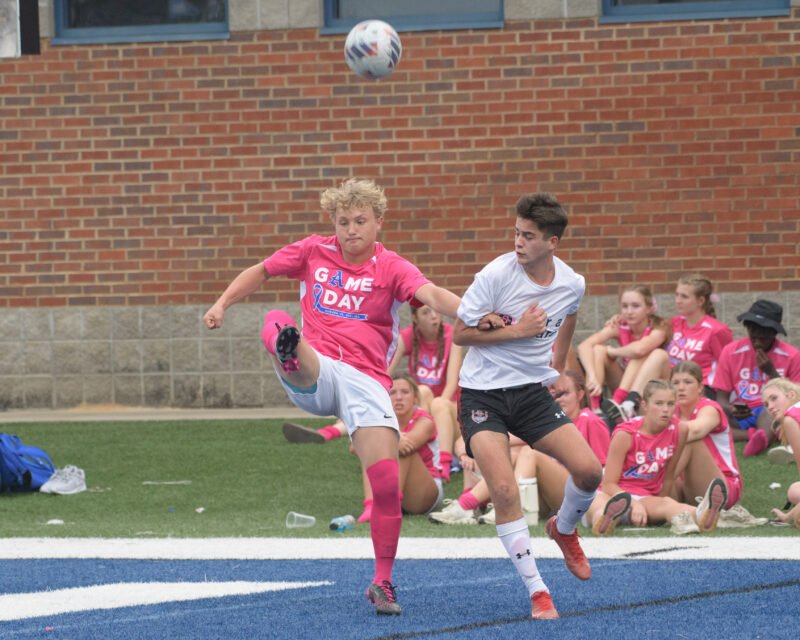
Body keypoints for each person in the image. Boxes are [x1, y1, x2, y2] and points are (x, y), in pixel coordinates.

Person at [202, 178, 462, 616]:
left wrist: (471, 311)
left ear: (379, 222)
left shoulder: (392, 266)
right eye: (343, 222)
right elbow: (261, 270)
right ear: (333, 223)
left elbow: (430, 294)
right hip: (317, 367)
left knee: (386, 485)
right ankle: (288, 351)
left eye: (360, 221)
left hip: (367, 381)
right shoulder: (312, 250)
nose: (351, 230)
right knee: (279, 320)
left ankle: (382, 583)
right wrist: (221, 304)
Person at [452, 191, 603, 620]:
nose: (519, 242)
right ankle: (538, 591)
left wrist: (558, 365)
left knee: (590, 471)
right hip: (482, 394)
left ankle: (564, 529)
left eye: (529, 236)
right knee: (503, 489)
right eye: (517, 232)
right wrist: (518, 331)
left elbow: (570, 314)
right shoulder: (495, 275)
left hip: (531, 393)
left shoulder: (571, 283)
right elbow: (460, 334)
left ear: (552, 242)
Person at [281, 303, 465, 483]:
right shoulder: (408, 336)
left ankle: (444, 463)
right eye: (426, 312)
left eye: (436, 312)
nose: (434, 316)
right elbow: (383, 372)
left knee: (432, 399)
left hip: (448, 416)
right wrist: (364, 396)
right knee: (385, 397)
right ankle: (330, 432)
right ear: (415, 318)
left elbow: (451, 385)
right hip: (418, 408)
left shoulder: (452, 336)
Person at [584, 379, 728, 536]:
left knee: (669, 505)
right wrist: (632, 504)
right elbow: (608, 484)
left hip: (645, 496)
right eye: (659, 403)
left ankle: (704, 513)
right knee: (601, 506)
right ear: (644, 405)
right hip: (613, 494)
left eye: (670, 404)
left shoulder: (680, 430)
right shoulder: (625, 434)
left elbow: (668, 477)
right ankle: (605, 521)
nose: (665, 410)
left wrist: (658, 508)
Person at [609, 274, 733, 423]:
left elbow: (728, 367)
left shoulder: (716, 330)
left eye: (684, 296)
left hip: (698, 387)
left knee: (659, 354)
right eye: (677, 295)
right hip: (671, 381)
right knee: (648, 353)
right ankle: (626, 405)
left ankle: (630, 403)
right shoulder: (674, 323)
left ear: (700, 301)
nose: (678, 300)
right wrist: (621, 318)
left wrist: (726, 400)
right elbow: (648, 325)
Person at [712, 300, 800, 456]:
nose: (758, 341)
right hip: (741, 414)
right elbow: (721, 398)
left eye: (764, 337)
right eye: (753, 334)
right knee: (712, 414)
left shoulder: (792, 355)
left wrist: (771, 372)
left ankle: (763, 437)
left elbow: (795, 399)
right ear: (747, 328)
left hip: (772, 413)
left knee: (771, 409)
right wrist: (732, 409)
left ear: (774, 333)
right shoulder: (730, 351)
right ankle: (755, 436)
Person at [357, 375, 444, 523]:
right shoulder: (381, 418)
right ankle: (371, 506)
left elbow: (408, 444)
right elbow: (355, 447)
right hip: (396, 489)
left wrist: (380, 438)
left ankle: (389, 506)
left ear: (415, 398)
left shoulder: (424, 420)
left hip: (426, 492)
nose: (398, 398)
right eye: (392, 393)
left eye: (405, 392)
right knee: (372, 451)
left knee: (403, 450)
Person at [577, 285, 669, 419]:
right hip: (626, 382)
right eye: (625, 306)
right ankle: (595, 407)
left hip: (651, 385)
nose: (629, 311)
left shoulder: (659, 328)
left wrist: (613, 351)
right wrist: (592, 376)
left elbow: (639, 349)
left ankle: (624, 403)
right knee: (598, 350)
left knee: (643, 354)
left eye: (635, 306)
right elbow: (584, 346)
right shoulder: (620, 325)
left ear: (649, 308)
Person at [670, 361, 743, 509]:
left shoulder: (710, 408)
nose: (681, 388)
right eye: (675, 383)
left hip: (723, 485)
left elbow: (695, 430)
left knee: (689, 439)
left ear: (700, 387)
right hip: (686, 484)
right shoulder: (671, 411)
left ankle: (654, 489)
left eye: (688, 382)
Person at [762, 378, 800, 525]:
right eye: (766, 404)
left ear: (791, 395)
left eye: (774, 398)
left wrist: (789, 516)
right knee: (794, 490)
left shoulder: (791, 418)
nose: (770, 407)